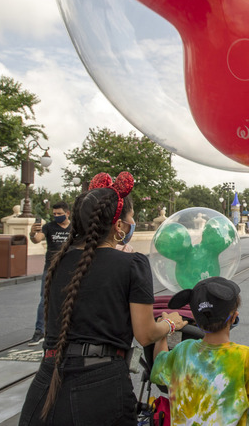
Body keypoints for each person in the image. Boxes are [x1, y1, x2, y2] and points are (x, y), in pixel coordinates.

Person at [19, 172, 187, 425]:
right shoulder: (132, 264)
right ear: (118, 226)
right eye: (131, 219)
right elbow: (145, 333)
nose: (132, 224)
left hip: (46, 384)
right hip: (99, 388)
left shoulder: (58, 262)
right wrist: (171, 323)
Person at [151, 277, 249, 425]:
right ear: (234, 318)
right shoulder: (245, 357)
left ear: (195, 317)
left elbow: (159, 366)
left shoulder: (182, 351)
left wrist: (165, 328)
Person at [28, 201, 72, 346]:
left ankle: (69, 330)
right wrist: (32, 232)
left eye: (59, 214)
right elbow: (36, 239)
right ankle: (39, 331)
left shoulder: (75, 228)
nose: (56, 216)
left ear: (67, 213)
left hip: (70, 267)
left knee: (70, 298)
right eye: (54, 214)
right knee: (45, 299)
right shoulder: (49, 227)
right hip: (51, 267)